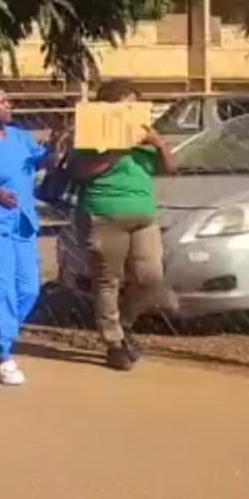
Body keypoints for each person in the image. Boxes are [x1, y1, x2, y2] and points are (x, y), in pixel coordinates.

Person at [70, 80, 175, 370]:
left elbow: (170, 168)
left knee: (150, 276)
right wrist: (119, 147)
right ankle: (114, 343)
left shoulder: (144, 136)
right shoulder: (92, 135)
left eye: (135, 104)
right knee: (108, 280)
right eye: (125, 103)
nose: (131, 109)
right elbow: (82, 171)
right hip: (104, 215)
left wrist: (159, 143)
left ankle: (124, 324)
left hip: (143, 216)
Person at [0, 85, 66, 386]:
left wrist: (60, 148)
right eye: (1, 101)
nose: (8, 105)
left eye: (8, 100)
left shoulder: (20, 137)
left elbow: (44, 160)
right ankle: (3, 354)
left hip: (23, 224)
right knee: (0, 289)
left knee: (28, 289)